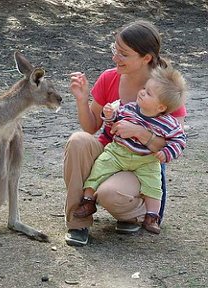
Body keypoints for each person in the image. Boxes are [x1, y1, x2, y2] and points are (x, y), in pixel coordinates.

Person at [64, 20, 187, 247]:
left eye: (123, 54)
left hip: (141, 161)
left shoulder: (166, 90)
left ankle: (139, 213)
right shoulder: (109, 77)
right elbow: (91, 127)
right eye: (115, 50)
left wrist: (141, 132)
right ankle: (77, 222)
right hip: (110, 151)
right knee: (78, 141)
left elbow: (174, 142)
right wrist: (82, 100)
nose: (115, 58)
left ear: (146, 58)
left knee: (109, 193)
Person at [72, 66, 187, 234]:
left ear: (161, 107)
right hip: (119, 153)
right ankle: (88, 201)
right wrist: (109, 115)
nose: (141, 93)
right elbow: (112, 124)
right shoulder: (130, 108)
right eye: (144, 89)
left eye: (148, 93)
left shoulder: (169, 123)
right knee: (98, 170)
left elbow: (179, 141)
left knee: (153, 185)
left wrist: (166, 152)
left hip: (146, 160)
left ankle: (152, 216)